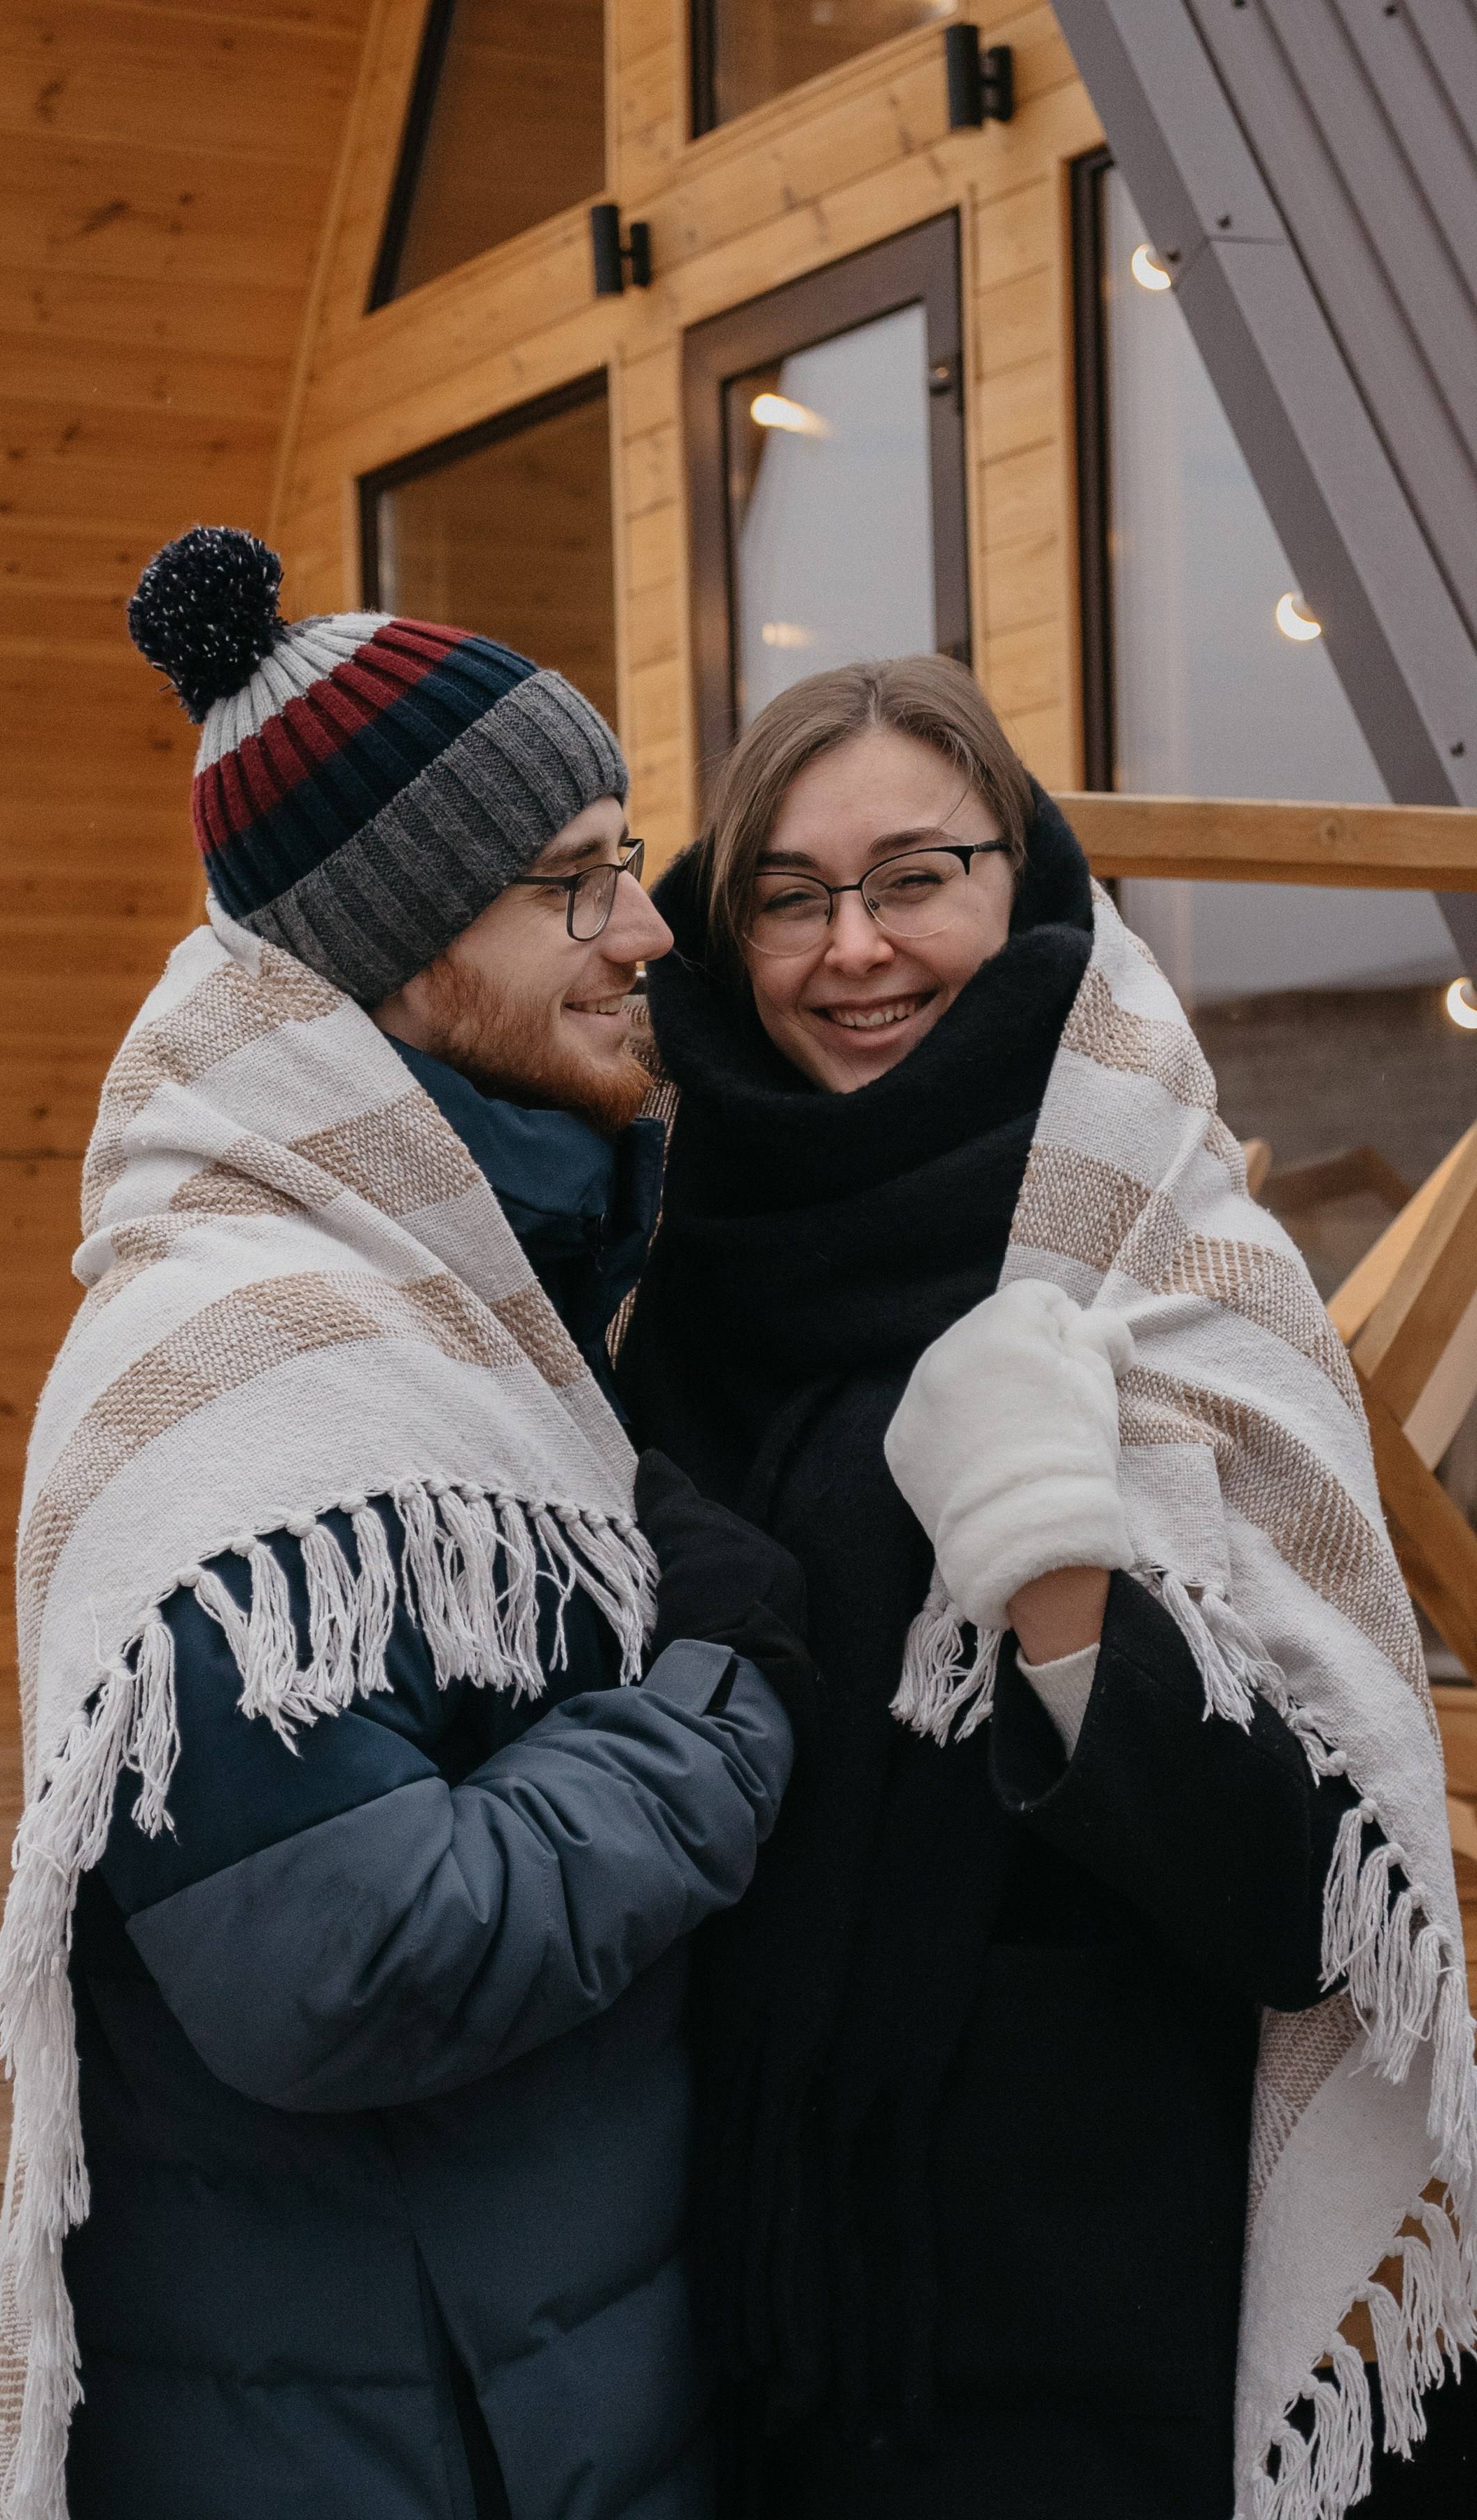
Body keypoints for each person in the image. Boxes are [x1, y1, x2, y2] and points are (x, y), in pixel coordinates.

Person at [0, 528, 818, 2520]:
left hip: (519, 2386)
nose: (647, 932)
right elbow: (346, 1956)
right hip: (387, 2441)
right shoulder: (252, 1366)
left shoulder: (464, 1323)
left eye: (631, 862)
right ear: (400, 952)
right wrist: (718, 1693)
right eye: (573, 883)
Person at [615, 657, 1477, 2520]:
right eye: (790, 892)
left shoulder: (1179, 1269)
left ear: (1028, 888)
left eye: (915, 875)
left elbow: (1296, 1895)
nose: (853, 948)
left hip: (1069, 2282)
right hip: (735, 2258)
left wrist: (1055, 1571)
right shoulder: (671, 1261)